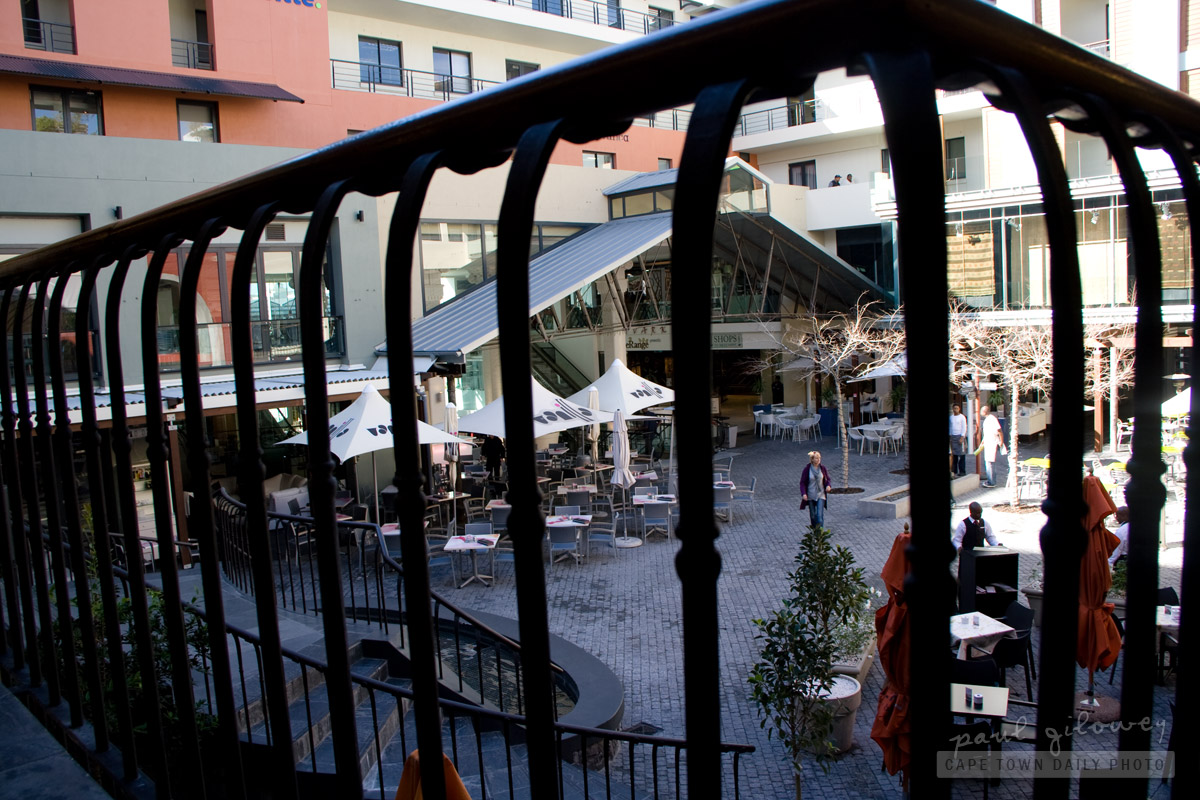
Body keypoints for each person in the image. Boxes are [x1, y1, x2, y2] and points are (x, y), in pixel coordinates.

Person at [799, 450, 832, 528]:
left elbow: (827, 479)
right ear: (812, 459)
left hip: (821, 494)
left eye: (819, 458)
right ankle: (815, 531)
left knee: (819, 516)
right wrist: (804, 493)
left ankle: (820, 533)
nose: (818, 460)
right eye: (816, 458)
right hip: (811, 495)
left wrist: (828, 486)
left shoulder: (822, 468)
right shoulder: (807, 470)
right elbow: (802, 483)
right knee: (813, 516)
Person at [977, 405, 1006, 487]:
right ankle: (990, 480)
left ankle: (992, 481)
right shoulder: (987, 419)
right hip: (987, 442)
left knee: (990, 462)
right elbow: (987, 433)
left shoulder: (992, 419)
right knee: (988, 462)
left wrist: (1001, 441)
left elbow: (999, 430)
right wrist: (982, 442)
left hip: (992, 442)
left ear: (984, 411)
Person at [949, 404, 968, 476]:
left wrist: (962, 437)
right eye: (954, 408)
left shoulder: (962, 417)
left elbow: (964, 427)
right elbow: (950, 427)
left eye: (957, 408)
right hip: (953, 437)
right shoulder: (951, 417)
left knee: (961, 455)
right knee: (954, 455)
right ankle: (954, 471)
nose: (955, 410)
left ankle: (962, 471)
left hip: (960, 436)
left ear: (959, 409)